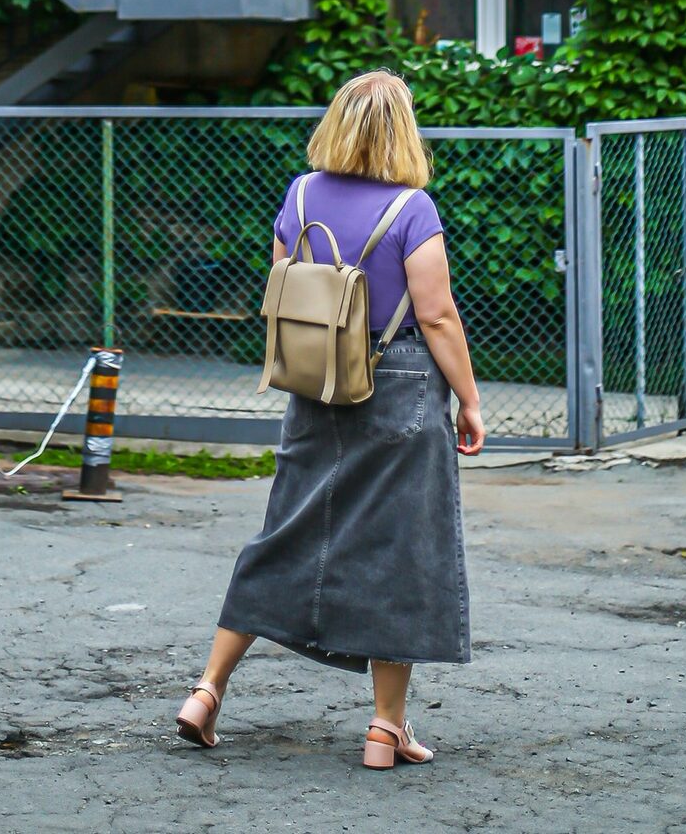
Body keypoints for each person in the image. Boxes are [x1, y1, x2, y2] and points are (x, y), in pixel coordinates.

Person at [175, 69, 484, 770]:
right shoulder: (414, 209)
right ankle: (384, 729)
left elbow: (284, 288)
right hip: (398, 384)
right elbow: (434, 314)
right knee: (400, 550)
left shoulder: (301, 194)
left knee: (287, 532)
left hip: (316, 383)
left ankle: (207, 689)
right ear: (401, 132)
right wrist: (468, 399)